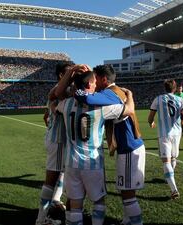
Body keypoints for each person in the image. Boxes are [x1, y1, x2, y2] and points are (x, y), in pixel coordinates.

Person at [56, 70, 135, 225]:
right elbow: (129, 110)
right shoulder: (101, 107)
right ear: (89, 85)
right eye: (94, 82)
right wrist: (130, 96)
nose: (97, 85)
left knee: (76, 206)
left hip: (71, 164)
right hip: (92, 163)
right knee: (98, 202)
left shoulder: (65, 104)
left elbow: (55, 104)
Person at [74, 65, 145, 225]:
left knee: (128, 194)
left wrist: (78, 86)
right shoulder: (115, 92)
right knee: (125, 190)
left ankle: (136, 222)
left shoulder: (109, 93)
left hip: (129, 147)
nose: (95, 82)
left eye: (96, 79)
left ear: (104, 79)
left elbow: (86, 97)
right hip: (129, 146)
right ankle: (127, 221)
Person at [35, 62, 73, 225]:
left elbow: (45, 116)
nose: (73, 75)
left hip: (58, 139)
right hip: (58, 140)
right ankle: (41, 219)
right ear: (61, 75)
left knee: (62, 173)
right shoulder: (59, 89)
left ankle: (56, 200)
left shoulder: (62, 89)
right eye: (69, 72)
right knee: (51, 178)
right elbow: (55, 96)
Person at [148, 79, 183, 199]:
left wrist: (151, 122)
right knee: (173, 158)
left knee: (166, 161)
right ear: (175, 89)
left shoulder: (158, 99)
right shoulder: (180, 99)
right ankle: (170, 178)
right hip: (177, 133)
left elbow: (150, 117)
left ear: (165, 88)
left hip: (164, 134)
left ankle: (174, 189)